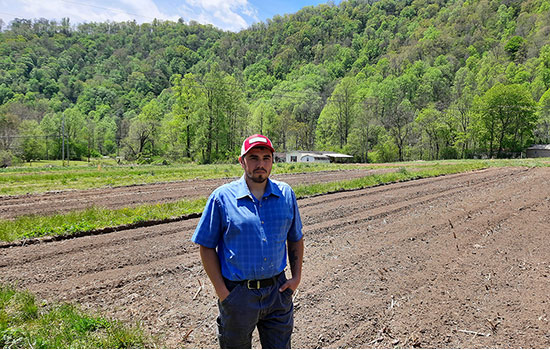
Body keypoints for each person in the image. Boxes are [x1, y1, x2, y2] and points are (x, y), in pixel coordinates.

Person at [192, 134, 304, 349]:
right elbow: (206, 246)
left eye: (266, 157)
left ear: (273, 161)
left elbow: (295, 238)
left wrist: (296, 277)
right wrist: (223, 293)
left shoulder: (286, 195)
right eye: (253, 158)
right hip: (238, 295)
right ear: (241, 161)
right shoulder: (222, 198)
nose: (260, 164)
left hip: (277, 292)